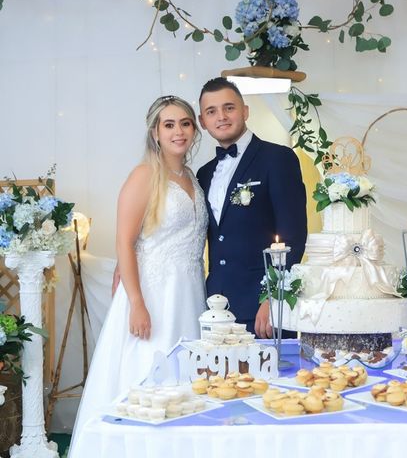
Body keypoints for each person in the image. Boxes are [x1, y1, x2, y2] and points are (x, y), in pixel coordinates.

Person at [70, 96, 208, 454]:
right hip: (153, 296)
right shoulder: (145, 175)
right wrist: (136, 303)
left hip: (190, 294)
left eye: (185, 123)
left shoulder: (192, 177)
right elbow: (124, 241)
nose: (179, 131)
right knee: (149, 380)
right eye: (169, 124)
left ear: (194, 129)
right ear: (155, 132)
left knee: (187, 387)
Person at [196, 77, 307, 338]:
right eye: (211, 111)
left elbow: (293, 236)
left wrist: (273, 297)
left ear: (245, 111)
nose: (221, 116)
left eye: (229, 108)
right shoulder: (203, 174)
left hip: (262, 310)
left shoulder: (278, 158)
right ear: (203, 122)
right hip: (215, 306)